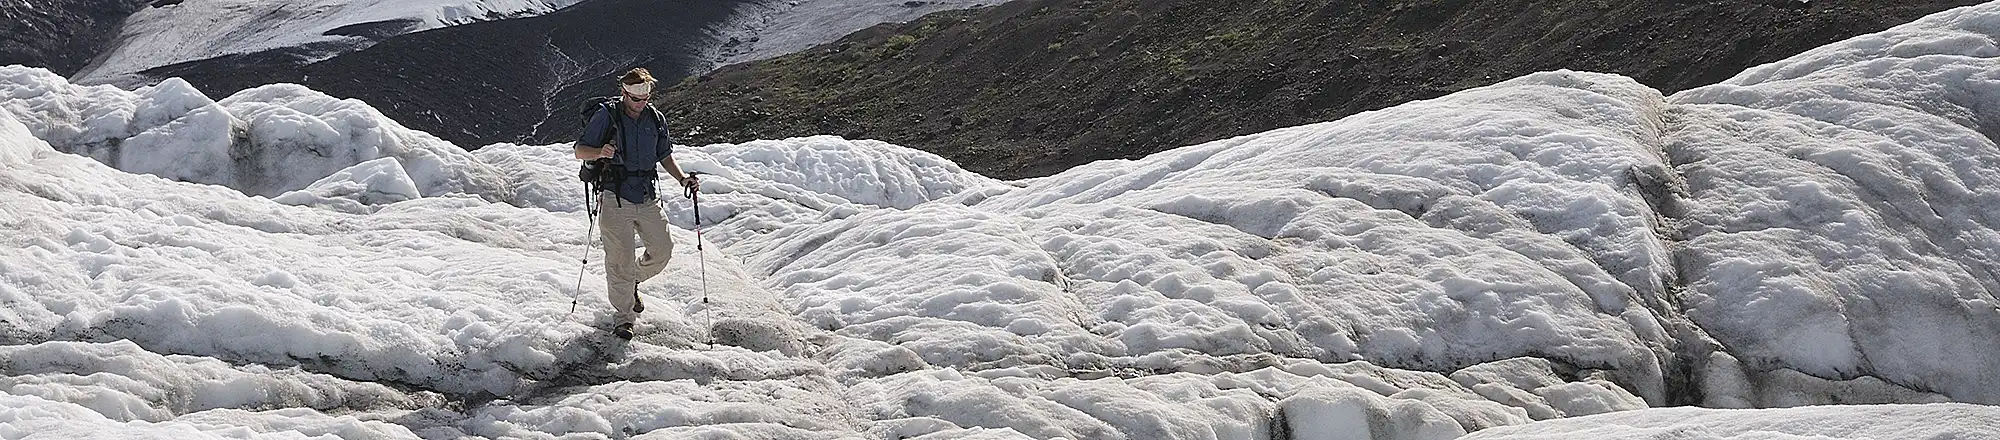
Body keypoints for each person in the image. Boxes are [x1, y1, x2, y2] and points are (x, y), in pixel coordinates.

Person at [574, 67, 697, 339]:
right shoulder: (607, 116)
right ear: (624, 93)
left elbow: (664, 155)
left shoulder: (655, 118)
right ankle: (623, 319)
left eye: (645, 99)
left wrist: (682, 179)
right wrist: (600, 152)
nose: (640, 104)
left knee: (662, 250)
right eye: (635, 99)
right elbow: (579, 151)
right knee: (619, 260)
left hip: (646, 193)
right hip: (614, 194)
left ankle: (633, 281)